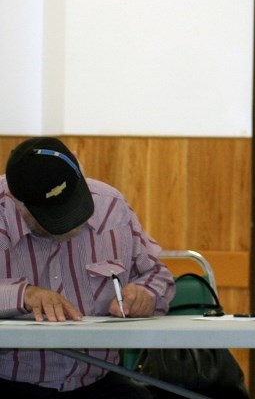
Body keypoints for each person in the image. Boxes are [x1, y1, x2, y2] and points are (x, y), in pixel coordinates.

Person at [0, 136, 176, 398]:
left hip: (98, 377)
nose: (72, 225)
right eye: (54, 217)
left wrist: (145, 295)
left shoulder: (111, 206)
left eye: (75, 207)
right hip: (11, 380)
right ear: (18, 202)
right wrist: (24, 295)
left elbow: (157, 274)